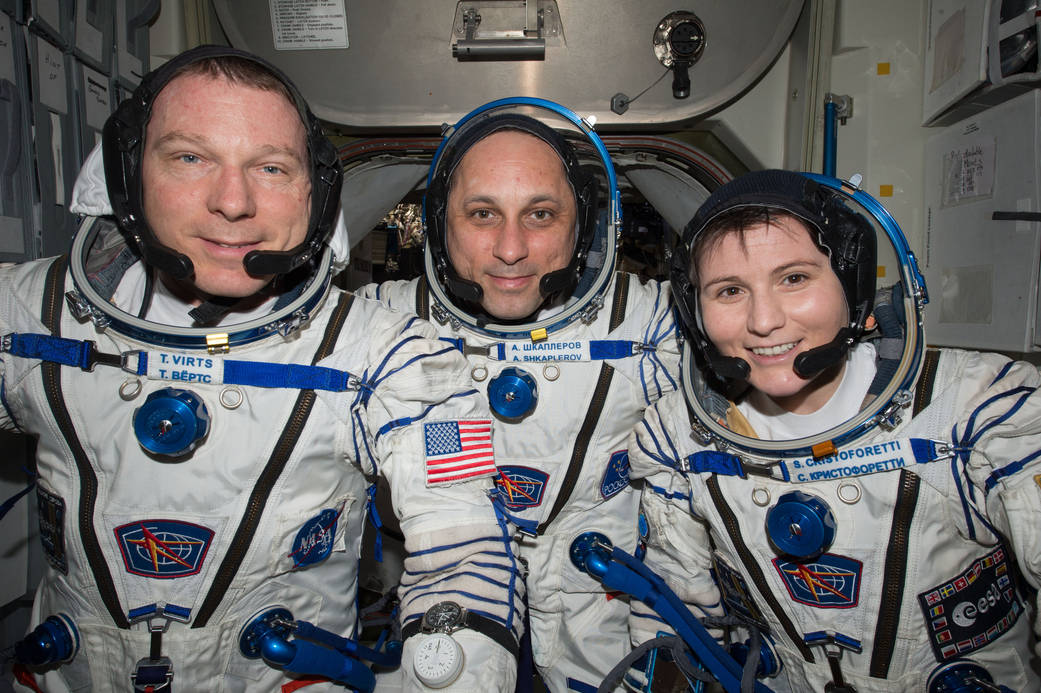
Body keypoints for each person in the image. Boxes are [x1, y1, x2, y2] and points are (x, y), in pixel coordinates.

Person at [0, 45, 523, 692]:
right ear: (129, 171)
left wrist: (450, 671)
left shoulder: (385, 353)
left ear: (314, 193)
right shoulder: (28, 316)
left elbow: (463, 546)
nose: (232, 201)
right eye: (190, 157)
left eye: (270, 168)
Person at [628, 169, 1041, 692]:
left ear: (851, 283)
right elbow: (673, 612)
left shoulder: (977, 411)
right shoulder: (678, 439)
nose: (763, 320)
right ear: (695, 314)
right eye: (730, 290)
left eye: (794, 278)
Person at [358, 99, 679, 693]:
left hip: (594, 574)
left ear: (581, 225)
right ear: (438, 223)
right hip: (444, 570)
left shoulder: (645, 326)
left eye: (540, 214)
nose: (511, 248)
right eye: (482, 213)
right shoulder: (379, 329)